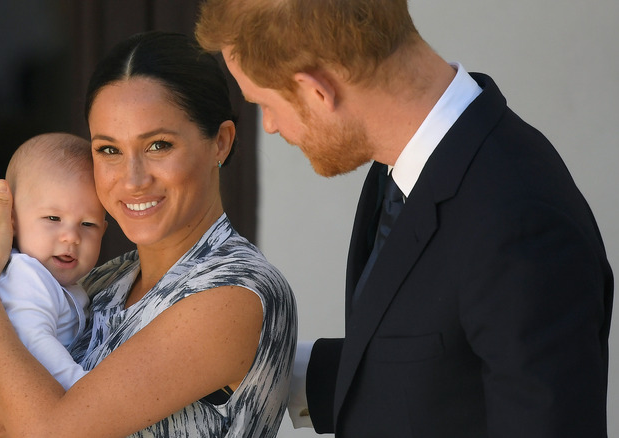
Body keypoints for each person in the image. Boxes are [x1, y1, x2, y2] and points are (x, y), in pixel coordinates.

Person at [196, 1, 613, 437]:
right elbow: (436, 367)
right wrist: (263, 363)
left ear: (317, 90)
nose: (271, 126)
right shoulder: (405, 165)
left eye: (264, 103)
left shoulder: (520, 222)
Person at [0, 31, 297, 437]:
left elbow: (49, 432)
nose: (132, 180)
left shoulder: (235, 292)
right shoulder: (101, 281)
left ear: (220, 143)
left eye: (158, 145)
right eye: (109, 150)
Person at [0, 132, 107, 417]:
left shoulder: (66, 284)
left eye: (88, 224)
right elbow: (34, 341)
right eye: (53, 218)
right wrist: (81, 388)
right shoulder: (27, 276)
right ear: (12, 221)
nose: (71, 237)